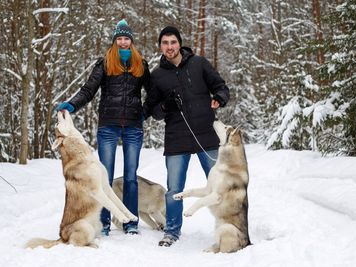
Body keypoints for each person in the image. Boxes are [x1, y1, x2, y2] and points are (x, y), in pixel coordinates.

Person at [56, 19, 150, 236]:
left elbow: (152, 93)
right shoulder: (105, 63)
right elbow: (89, 90)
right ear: (114, 41)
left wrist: (143, 112)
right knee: (104, 177)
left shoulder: (141, 64)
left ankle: (131, 224)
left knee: (130, 177)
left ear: (131, 41)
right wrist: (72, 104)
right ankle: (105, 223)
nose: (123, 42)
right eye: (119, 39)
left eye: (127, 38)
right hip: (108, 125)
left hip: (133, 128)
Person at [146, 26, 230, 247]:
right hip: (176, 138)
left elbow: (220, 86)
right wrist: (166, 105)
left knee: (219, 185)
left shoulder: (198, 63)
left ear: (179, 43)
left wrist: (220, 98)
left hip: (206, 135)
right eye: (165, 43)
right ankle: (172, 231)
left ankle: (227, 225)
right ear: (160, 46)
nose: (169, 47)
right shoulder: (157, 75)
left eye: (173, 42)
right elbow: (153, 110)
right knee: (174, 188)